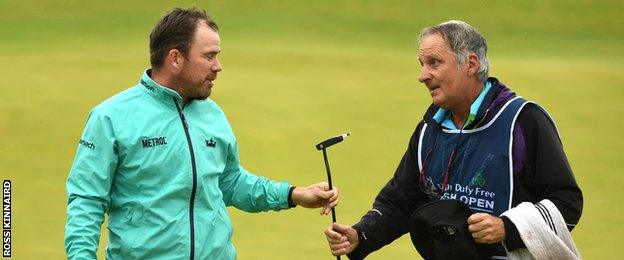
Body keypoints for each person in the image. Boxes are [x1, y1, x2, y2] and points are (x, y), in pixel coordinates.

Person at [65, 7, 339, 259]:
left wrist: (292, 195)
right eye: (209, 56)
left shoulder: (213, 115)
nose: (218, 66)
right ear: (175, 58)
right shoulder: (111, 117)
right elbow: (87, 201)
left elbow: (230, 183)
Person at [324, 20, 582, 259]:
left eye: (434, 62)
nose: (422, 75)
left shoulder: (523, 121)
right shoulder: (430, 127)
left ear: (470, 64)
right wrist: (361, 235)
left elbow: (567, 203)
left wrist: (508, 227)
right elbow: (402, 200)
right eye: (421, 64)